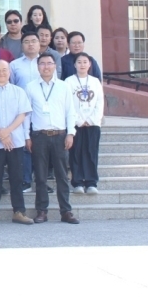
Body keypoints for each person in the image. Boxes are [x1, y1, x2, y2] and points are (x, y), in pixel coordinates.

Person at [24, 53, 80, 224]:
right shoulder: (30, 87)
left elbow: (70, 111)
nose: (46, 67)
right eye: (42, 63)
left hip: (59, 135)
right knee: (40, 176)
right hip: (39, 136)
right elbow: (27, 114)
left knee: (62, 175)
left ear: (55, 66)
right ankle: (41, 211)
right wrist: (26, 136)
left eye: (49, 63)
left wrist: (70, 133)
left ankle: (66, 211)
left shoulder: (64, 86)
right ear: (38, 67)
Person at [0, 60, 34, 226]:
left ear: (9, 72)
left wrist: (7, 131)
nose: (1, 73)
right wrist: (1, 134)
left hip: (15, 141)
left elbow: (22, 115)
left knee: (16, 178)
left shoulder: (19, 92)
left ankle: (19, 212)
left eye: (4, 70)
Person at [65, 52, 105, 195]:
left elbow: (99, 102)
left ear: (90, 65)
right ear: (74, 65)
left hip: (93, 124)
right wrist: (79, 120)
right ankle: (77, 183)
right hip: (75, 124)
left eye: (85, 62)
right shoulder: (69, 82)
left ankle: (91, 182)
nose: (82, 65)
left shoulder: (95, 82)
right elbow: (68, 104)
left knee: (91, 152)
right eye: (79, 62)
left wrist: (91, 120)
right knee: (75, 153)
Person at [10, 32, 43, 191]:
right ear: (22, 45)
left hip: (41, 110)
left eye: (34, 41)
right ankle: (26, 179)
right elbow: (11, 86)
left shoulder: (45, 63)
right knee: (24, 144)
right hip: (21, 111)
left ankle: (41, 180)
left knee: (41, 145)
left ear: (39, 44)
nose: (30, 44)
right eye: (27, 41)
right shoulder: (14, 65)